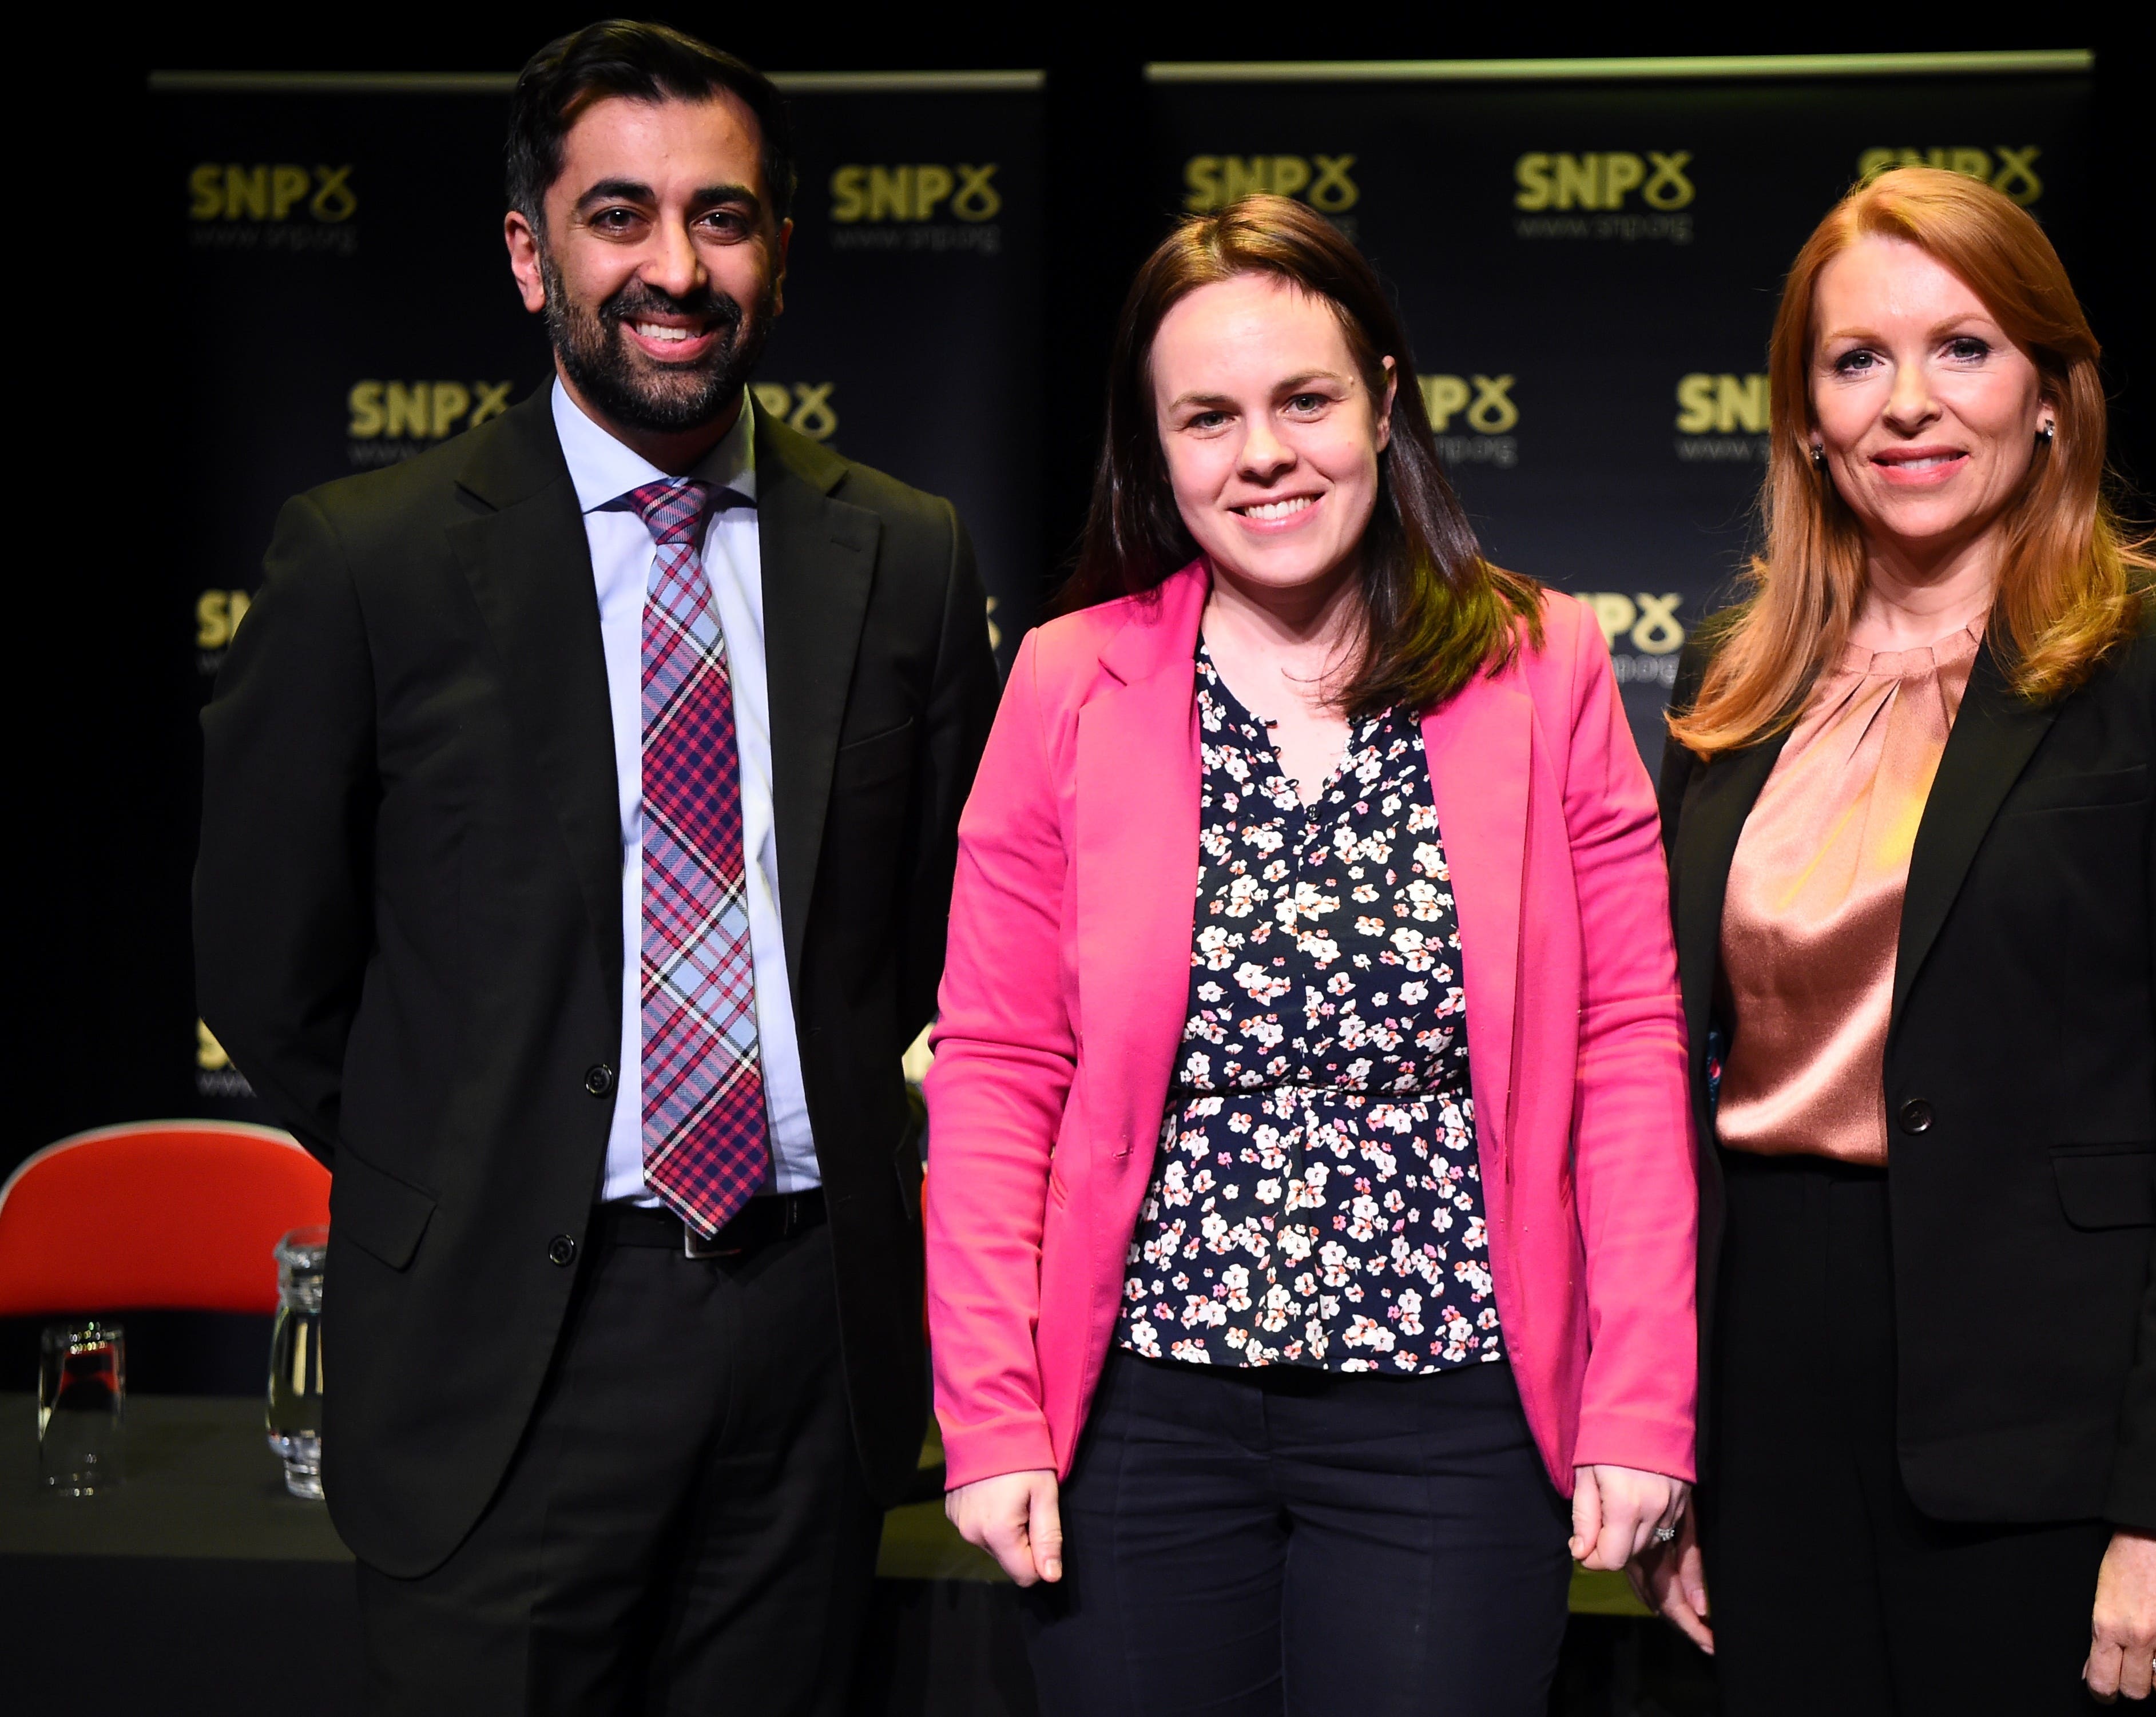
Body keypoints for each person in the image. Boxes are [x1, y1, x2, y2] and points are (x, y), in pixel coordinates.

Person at [195, 21, 998, 1711]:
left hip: (810, 1342)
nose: (675, 266)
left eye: (723, 217)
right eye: (618, 215)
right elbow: (268, 961)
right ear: (529, 249)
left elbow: (947, 929)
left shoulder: (906, 554)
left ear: (777, 250)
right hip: (505, 1346)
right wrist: (476, 1150)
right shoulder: (369, 560)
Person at [923, 194, 1698, 1715]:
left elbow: (1631, 1047)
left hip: (1456, 1415)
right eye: (1207, 416)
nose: (1262, 453)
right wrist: (994, 1416)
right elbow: (1000, 1066)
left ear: (1386, 400)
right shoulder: (1069, 683)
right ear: (1155, 448)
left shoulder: (1548, 663)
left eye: (1304, 400)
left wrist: (1643, 1397)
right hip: (1140, 1413)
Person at [1635, 166, 2156, 1710]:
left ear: (2054, 392)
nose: (1908, 404)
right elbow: (1667, 1081)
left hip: (2047, 1413)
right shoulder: (1735, 674)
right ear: (1806, 416)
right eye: (1858, 360)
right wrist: (1673, 1447)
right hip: (1765, 1388)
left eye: (1965, 348)